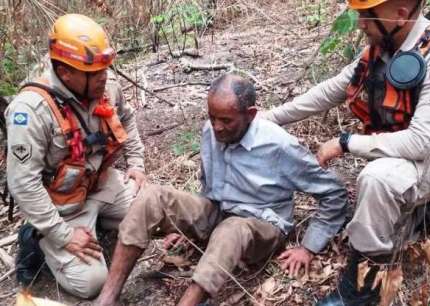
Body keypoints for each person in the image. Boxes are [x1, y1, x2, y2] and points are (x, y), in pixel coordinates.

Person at [262, 0, 430, 304]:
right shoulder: (385, 45)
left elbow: (421, 143)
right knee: (378, 175)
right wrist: (270, 117)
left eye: (367, 15)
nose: (360, 23)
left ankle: (361, 291)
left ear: (401, 15)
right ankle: (409, 221)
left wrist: (346, 142)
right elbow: (331, 90)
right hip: (417, 154)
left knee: (377, 178)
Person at [94, 73, 348, 306]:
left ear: (250, 114)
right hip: (219, 212)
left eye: (226, 120)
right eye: (211, 117)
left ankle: (189, 302)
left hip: (260, 225)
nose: (216, 127)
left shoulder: (279, 146)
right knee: (151, 196)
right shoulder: (212, 132)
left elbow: (333, 193)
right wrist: (188, 224)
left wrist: (308, 246)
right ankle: (108, 297)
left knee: (232, 229)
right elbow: (209, 186)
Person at [6, 14, 146, 299]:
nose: (103, 77)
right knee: (91, 283)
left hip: (101, 183)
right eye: (93, 72)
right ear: (65, 71)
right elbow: (23, 184)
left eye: (104, 69)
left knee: (148, 215)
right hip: (62, 205)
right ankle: (39, 236)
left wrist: (136, 164)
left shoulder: (105, 84)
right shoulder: (31, 111)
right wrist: (64, 236)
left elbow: (127, 118)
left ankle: (99, 220)